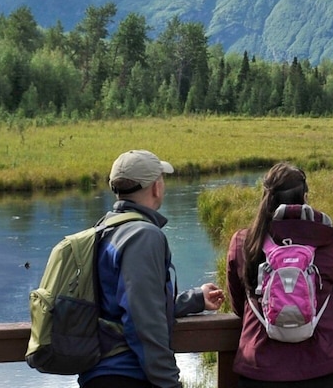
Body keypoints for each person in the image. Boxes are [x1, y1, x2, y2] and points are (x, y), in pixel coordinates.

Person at [83, 150, 228, 388]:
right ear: (155, 188)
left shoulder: (104, 229)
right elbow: (144, 320)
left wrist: (195, 300)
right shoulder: (143, 236)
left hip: (100, 373)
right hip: (129, 375)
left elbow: (124, 303)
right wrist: (169, 382)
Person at [225, 163, 333, 387]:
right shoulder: (327, 239)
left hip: (260, 367)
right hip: (322, 365)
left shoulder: (243, 242)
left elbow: (239, 305)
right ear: (305, 196)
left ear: (266, 197)